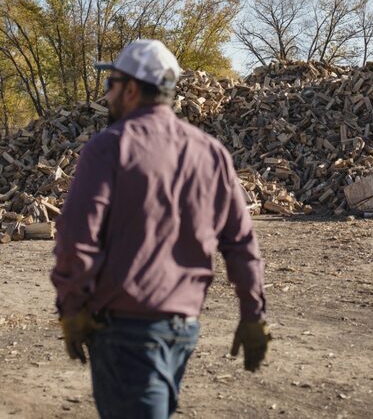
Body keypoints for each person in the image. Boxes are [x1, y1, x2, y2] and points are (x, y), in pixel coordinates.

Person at [51, 38, 270, 419]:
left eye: (111, 84)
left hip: (127, 333)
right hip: (183, 330)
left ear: (131, 89)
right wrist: (252, 315)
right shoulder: (210, 152)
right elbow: (241, 244)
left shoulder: (109, 147)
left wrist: (72, 307)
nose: (107, 95)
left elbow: (77, 240)